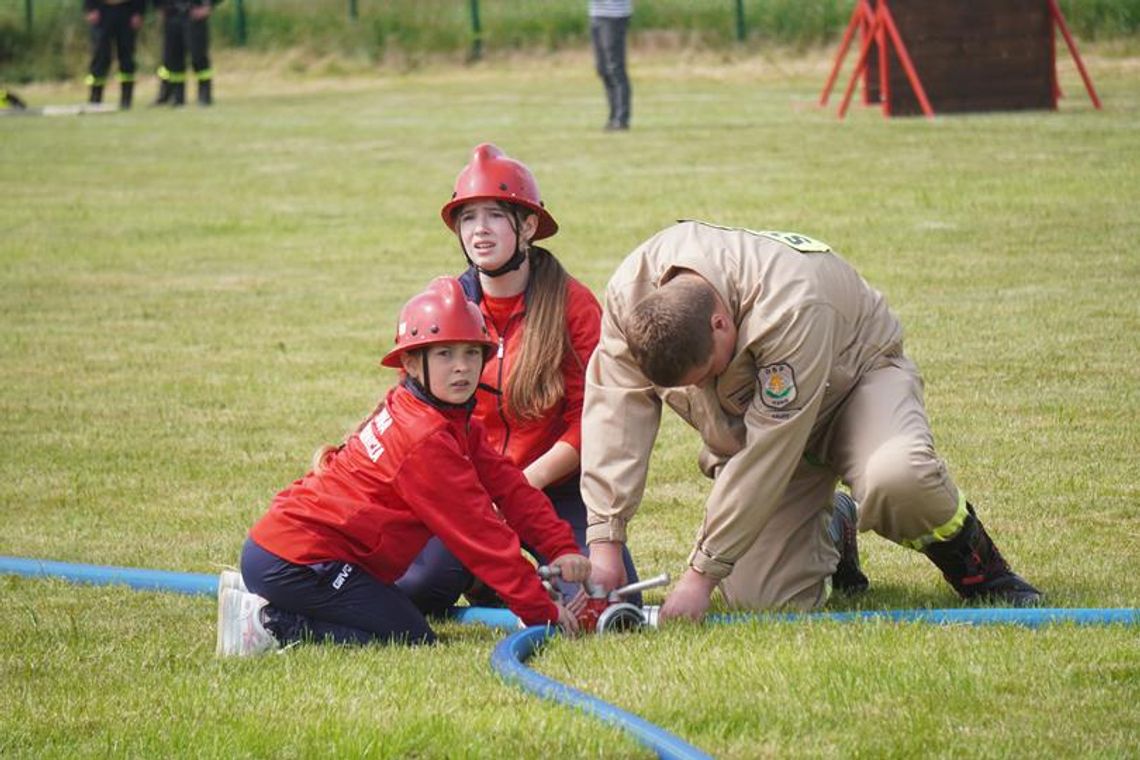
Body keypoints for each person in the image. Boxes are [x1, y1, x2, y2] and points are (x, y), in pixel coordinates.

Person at [581, 220, 1042, 622]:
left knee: (897, 479)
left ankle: (977, 566)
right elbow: (614, 412)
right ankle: (835, 528)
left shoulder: (790, 304)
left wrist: (700, 576)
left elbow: (768, 453)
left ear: (721, 323)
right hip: (762, 423)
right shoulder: (631, 295)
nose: (703, 389)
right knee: (761, 601)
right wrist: (604, 541)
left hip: (853, 385)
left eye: (708, 374)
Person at [216, 277, 590, 656]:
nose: (461, 368)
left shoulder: (446, 416)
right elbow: (481, 535)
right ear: (411, 362)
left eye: (472, 353)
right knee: (409, 636)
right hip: (298, 561)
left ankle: (277, 600)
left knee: (399, 619)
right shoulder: (423, 438)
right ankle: (269, 622)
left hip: (298, 553)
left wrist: (559, 547)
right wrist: (542, 611)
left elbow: (508, 485)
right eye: (445, 354)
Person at [395, 143, 641, 614]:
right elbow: (417, 415)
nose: (479, 231)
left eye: (494, 216)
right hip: (472, 488)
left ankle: (505, 572)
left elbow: (592, 419)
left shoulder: (573, 304)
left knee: (604, 600)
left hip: (555, 488)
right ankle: (492, 577)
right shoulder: (445, 304)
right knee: (420, 590)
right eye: (467, 218)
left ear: (528, 226)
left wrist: (525, 482)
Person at [152, 0, 220, 106]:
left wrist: (208, 6)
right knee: (171, 59)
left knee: (198, 57)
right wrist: (159, 6)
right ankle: (177, 97)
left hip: (194, 14)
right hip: (171, 14)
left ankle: (204, 95)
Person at [84, 0, 145, 109]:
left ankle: (126, 99)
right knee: (100, 56)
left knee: (127, 56)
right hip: (102, 11)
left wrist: (138, 12)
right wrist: (91, 8)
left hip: (126, 10)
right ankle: (95, 97)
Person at [589, 0, 632, 131]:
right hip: (597, 14)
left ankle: (621, 118)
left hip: (614, 16)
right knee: (603, 68)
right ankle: (613, 116)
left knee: (615, 68)